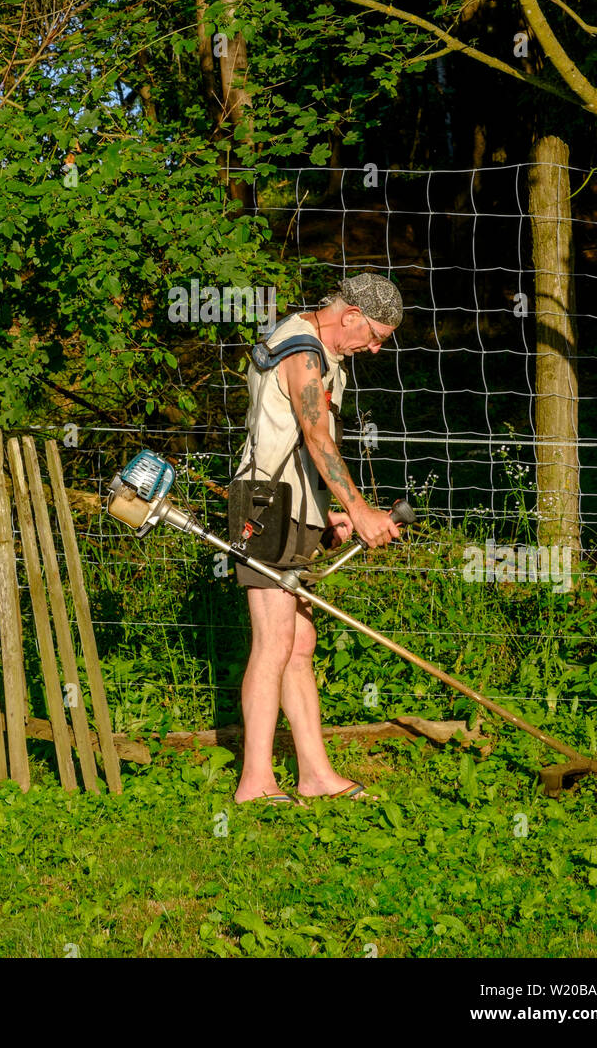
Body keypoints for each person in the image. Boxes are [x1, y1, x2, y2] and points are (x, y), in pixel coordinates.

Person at [230, 272, 403, 805]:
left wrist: (329, 512)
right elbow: (315, 433)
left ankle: (316, 774)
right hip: (266, 504)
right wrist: (361, 508)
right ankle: (255, 782)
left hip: (296, 502)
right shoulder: (303, 349)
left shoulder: (323, 355)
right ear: (350, 314)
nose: (374, 348)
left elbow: (303, 445)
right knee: (274, 643)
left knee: (299, 644)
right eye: (374, 335)